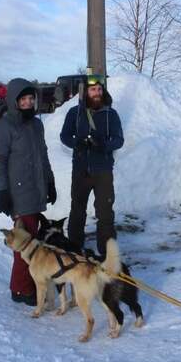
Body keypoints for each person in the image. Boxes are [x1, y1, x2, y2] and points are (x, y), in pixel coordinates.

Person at [0, 78, 56, 306]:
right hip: (18, 193)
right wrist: (2, 191)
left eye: (31, 98)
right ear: (14, 101)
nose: (28, 102)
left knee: (31, 239)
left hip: (35, 188)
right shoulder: (5, 126)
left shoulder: (36, 125)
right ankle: (20, 289)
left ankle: (25, 284)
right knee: (24, 242)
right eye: (24, 99)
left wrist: (50, 182)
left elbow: (43, 155)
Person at [60, 74, 123, 257]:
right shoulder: (75, 113)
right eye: (93, 89)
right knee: (77, 210)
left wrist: (103, 145)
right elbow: (64, 136)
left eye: (100, 89)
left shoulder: (111, 114)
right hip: (80, 170)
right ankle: (74, 250)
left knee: (105, 213)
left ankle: (107, 254)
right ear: (86, 92)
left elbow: (119, 140)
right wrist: (77, 143)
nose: (97, 93)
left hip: (103, 171)